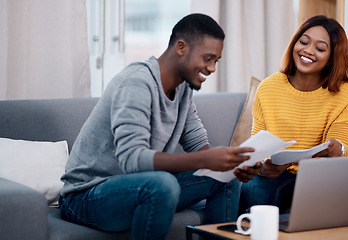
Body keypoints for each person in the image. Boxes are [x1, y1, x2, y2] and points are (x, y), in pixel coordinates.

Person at [59, 13, 260, 240]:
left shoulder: (184, 88)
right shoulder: (137, 82)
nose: (212, 68)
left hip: (142, 188)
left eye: (216, 61)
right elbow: (133, 160)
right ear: (181, 47)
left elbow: (197, 143)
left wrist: (231, 165)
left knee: (224, 180)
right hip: (87, 196)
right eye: (208, 58)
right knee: (162, 183)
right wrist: (206, 160)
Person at [240, 15, 348, 214]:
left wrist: (339, 149)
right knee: (254, 189)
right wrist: (263, 166)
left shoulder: (342, 93)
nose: (308, 51)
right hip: (275, 175)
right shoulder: (268, 87)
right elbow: (256, 144)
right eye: (303, 42)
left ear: (331, 59)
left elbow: (345, 150)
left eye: (320, 49)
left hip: (318, 176)